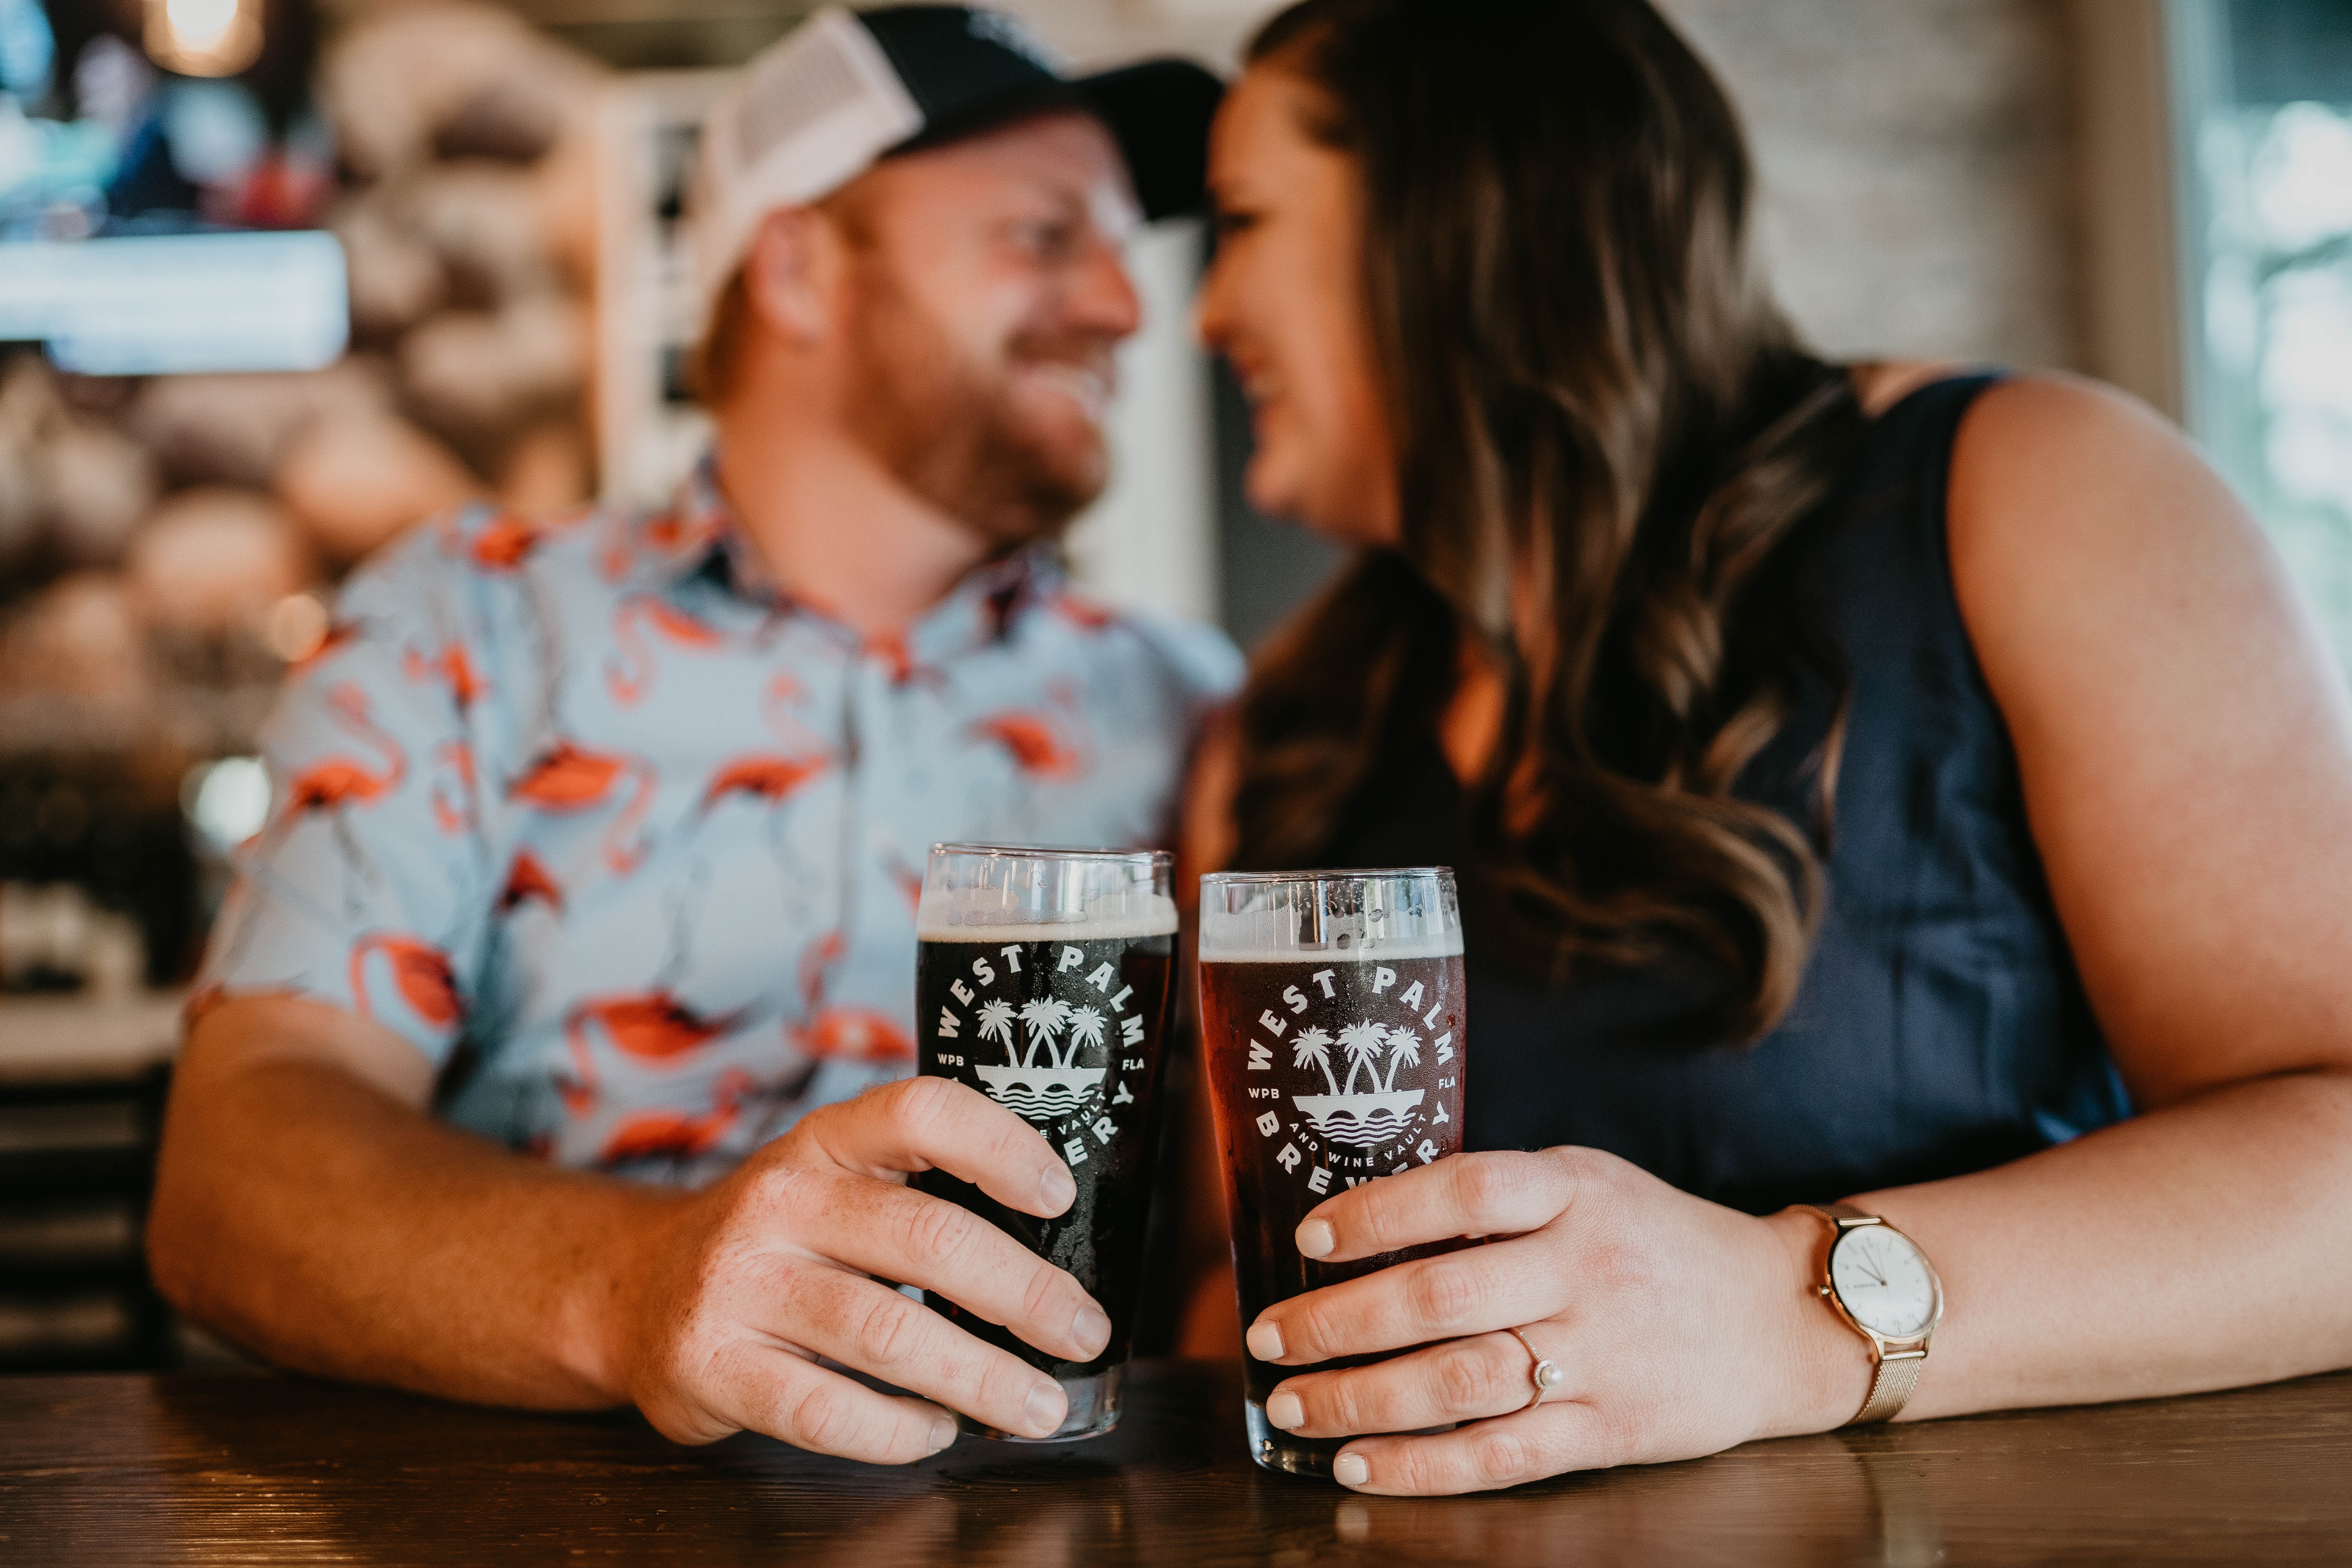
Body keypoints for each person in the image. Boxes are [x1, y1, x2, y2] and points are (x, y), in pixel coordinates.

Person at [1179, 0, 2352, 1495]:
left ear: (1456, 212)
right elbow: (1237, 1321)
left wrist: (1787, 1314)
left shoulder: (2023, 490)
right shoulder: (1283, 729)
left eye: (1242, 222)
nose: (1206, 314)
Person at [148, 5, 1238, 1463]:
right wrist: (640, 1282)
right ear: (796, 268)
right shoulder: (466, 628)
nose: (1123, 305)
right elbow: (237, 1175)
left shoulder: (1186, 701)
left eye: (1118, 247)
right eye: (1044, 237)